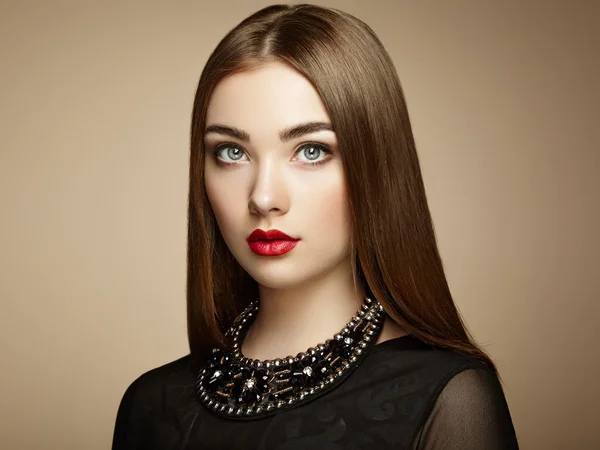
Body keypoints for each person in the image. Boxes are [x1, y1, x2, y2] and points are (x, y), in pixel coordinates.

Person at [111, 3, 519, 449]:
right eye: (231, 152)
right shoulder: (150, 404)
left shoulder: (449, 398)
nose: (264, 198)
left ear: (375, 165)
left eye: (310, 151)